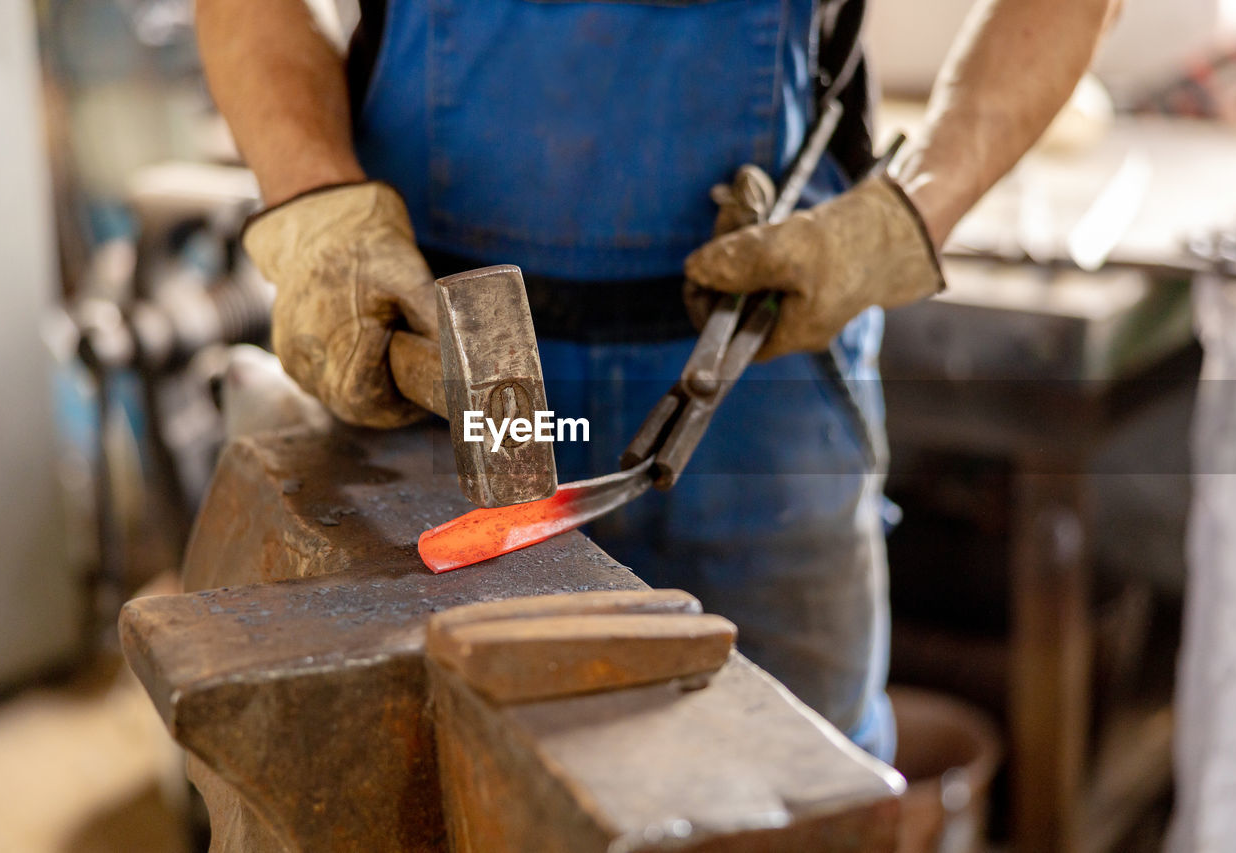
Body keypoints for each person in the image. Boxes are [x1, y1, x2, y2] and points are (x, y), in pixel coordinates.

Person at [196, 0, 1120, 762]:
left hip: (763, 367)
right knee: (426, 782)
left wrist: (912, 209)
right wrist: (315, 205)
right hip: (430, 376)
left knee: (801, 787)